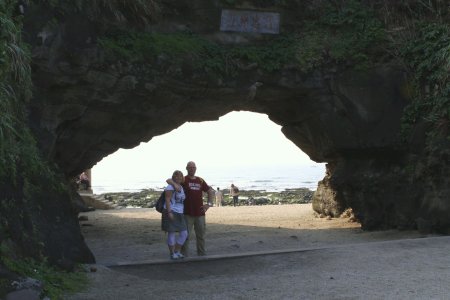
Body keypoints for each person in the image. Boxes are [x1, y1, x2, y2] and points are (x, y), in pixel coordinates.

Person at [167, 161, 215, 256]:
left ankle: (201, 254)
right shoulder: (184, 179)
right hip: (187, 213)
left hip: (200, 213)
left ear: (196, 168)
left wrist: (208, 204)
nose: (192, 169)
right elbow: (169, 180)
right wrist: (175, 184)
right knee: (185, 236)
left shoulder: (200, 180)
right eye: (190, 167)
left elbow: (210, 191)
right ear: (186, 168)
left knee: (201, 236)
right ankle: (184, 255)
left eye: (193, 167)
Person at [162, 170, 188, 260]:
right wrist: (169, 212)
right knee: (171, 232)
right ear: (173, 177)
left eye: (180, 176)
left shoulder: (180, 186)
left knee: (184, 233)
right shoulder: (170, 187)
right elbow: (167, 199)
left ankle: (177, 251)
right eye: (176, 176)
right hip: (171, 211)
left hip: (180, 212)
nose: (178, 177)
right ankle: (172, 253)